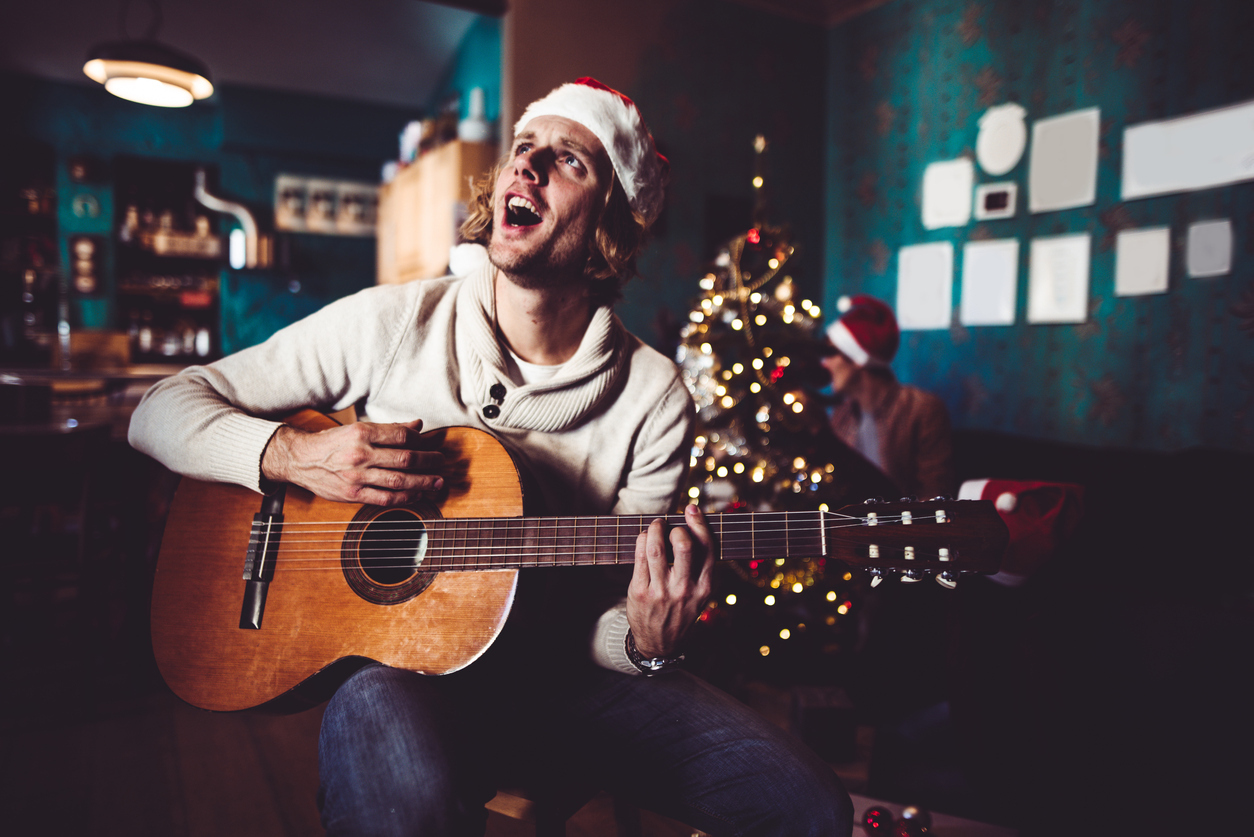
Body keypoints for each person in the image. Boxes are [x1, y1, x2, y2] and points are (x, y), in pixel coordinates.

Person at [130, 78, 851, 836]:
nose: (526, 168)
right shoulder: (395, 320)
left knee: (807, 804)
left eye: (568, 159)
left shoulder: (654, 394)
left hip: (569, 686)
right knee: (403, 794)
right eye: (522, 149)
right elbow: (160, 409)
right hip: (401, 677)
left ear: (611, 221)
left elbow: (611, 611)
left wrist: (642, 638)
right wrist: (294, 455)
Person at [822, 295, 955, 500]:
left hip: (904, 528)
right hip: (851, 529)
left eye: (830, 353)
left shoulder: (922, 410)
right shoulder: (841, 416)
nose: (824, 363)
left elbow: (934, 497)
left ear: (857, 357)